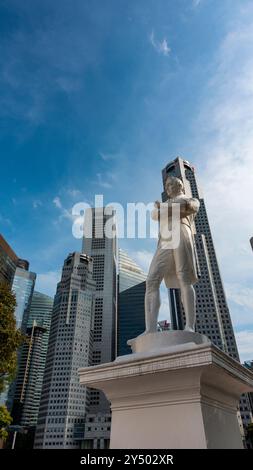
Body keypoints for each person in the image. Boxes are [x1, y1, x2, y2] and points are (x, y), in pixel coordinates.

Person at [144, 175, 200, 334]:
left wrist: (163, 208)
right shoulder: (166, 204)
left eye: (170, 184)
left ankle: (190, 325)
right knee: (152, 280)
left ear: (180, 186)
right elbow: (154, 215)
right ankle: (150, 329)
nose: (167, 188)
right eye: (166, 186)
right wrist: (163, 209)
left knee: (184, 278)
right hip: (165, 240)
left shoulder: (190, 199)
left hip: (181, 234)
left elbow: (190, 207)